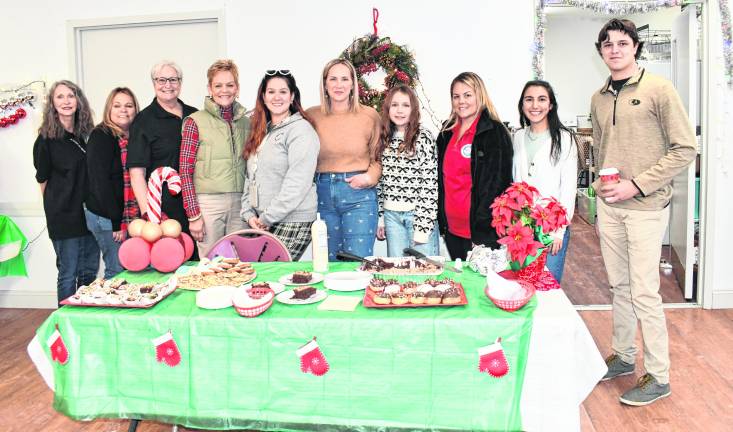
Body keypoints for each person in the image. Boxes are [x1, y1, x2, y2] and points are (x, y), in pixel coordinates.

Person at [591, 19, 696, 406]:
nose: (615, 50)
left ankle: (659, 375)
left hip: (646, 207)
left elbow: (685, 149)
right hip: (610, 207)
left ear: (635, 47)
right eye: (607, 44)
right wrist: (601, 189)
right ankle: (623, 355)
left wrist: (636, 185)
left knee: (645, 292)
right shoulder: (599, 96)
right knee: (619, 287)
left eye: (622, 43)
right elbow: (602, 149)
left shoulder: (659, 89)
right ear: (601, 51)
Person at [306, 59, 381, 260]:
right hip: (322, 197)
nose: (339, 85)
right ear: (325, 84)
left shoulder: (369, 115)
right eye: (333, 79)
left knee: (357, 263)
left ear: (353, 84)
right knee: (326, 263)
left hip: (359, 197)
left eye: (344, 79)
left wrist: (369, 178)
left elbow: (379, 156)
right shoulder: (310, 116)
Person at [240, 70, 320, 260]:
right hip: (262, 218)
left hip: (293, 219)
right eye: (271, 92)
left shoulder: (301, 131)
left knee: (269, 272)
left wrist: (267, 218)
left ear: (292, 96)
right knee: (260, 275)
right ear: (263, 97)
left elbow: (298, 182)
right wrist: (248, 212)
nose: (277, 97)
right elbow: (250, 176)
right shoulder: (262, 131)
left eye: (283, 92)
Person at [33, 80, 100, 304]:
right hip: (63, 216)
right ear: (52, 103)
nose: (66, 101)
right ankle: (64, 324)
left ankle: (84, 316)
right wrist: (55, 209)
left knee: (89, 271)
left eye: (71, 96)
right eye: (60, 96)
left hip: (89, 214)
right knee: (68, 273)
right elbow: (42, 181)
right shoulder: (45, 140)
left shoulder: (87, 135)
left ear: (78, 100)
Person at [436, 72, 513, 260]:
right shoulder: (446, 132)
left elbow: (496, 186)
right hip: (452, 229)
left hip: (480, 233)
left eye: (467, 95)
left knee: (479, 287)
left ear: (480, 96)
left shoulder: (494, 132)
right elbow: (441, 180)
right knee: (461, 284)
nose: (461, 101)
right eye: (456, 96)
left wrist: (482, 234)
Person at [127, 60, 198, 257]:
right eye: (162, 80)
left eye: (173, 79)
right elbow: (136, 174)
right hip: (163, 210)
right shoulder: (143, 121)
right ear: (154, 83)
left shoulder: (195, 116)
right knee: (169, 262)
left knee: (199, 263)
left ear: (180, 83)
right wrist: (150, 215)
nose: (168, 85)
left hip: (196, 206)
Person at [179, 59, 248, 256]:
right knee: (211, 263)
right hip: (208, 204)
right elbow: (185, 170)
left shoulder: (247, 123)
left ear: (237, 88)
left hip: (240, 204)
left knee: (239, 262)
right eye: (218, 85)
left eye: (229, 85)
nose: (224, 90)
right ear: (210, 88)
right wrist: (193, 215)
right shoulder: (195, 122)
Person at [513, 80, 577, 282]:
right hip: (523, 228)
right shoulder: (518, 136)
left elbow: (568, 188)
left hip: (551, 227)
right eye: (529, 100)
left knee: (548, 284)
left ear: (550, 105)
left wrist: (559, 231)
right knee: (522, 283)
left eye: (541, 100)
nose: (535, 106)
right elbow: (516, 182)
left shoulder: (564, 139)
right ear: (522, 105)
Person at [376, 84, 439, 257]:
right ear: (388, 108)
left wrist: (422, 229)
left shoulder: (423, 137)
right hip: (391, 217)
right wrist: (380, 218)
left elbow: (430, 185)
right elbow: (380, 183)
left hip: (418, 216)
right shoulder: (384, 138)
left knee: (424, 274)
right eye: (395, 105)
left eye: (406, 105)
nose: (399, 110)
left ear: (413, 109)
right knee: (397, 272)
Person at [85, 87, 141, 278]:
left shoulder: (133, 138)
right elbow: (100, 183)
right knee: (116, 269)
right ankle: (110, 308)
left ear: (135, 109)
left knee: (128, 267)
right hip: (107, 216)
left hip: (127, 214)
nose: (123, 110)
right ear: (109, 109)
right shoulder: (101, 136)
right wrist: (117, 223)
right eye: (117, 105)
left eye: (128, 105)